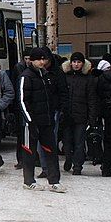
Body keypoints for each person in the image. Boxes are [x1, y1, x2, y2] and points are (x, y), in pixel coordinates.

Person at [18, 47, 65, 192]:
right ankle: (28, 180)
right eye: (39, 59)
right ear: (32, 60)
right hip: (31, 122)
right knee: (29, 151)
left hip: (46, 120)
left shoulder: (46, 75)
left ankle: (54, 181)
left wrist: (51, 115)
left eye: (43, 59)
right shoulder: (26, 76)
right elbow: (22, 101)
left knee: (51, 151)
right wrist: (30, 121)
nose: (42, 62)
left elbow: (50, 98)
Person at [62, 52, 97, 175]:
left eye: (79, 62)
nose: (76, 64)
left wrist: (92, 118)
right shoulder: (65, 77)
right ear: (70, 63)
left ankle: (77, 166)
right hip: (66, 116)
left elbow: (92, 100)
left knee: (79, 142)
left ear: (83, 64)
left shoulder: (88, 79)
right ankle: (68, 159)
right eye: (74, 62)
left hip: (81, 116)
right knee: (66, 142)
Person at [36, 50, 70, 178]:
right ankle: (45, 168)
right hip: (39, 111)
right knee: (40, 142)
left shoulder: (57, 73)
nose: (43, 62)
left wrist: (63, 109)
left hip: (53, 110)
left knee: (50, 140)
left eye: (45, 60)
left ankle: (51, 168)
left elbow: (63, 93)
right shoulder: (35, 73)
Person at [10, 52, 31, 169]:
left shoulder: (32, 70)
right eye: (26, 58)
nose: (28, 60)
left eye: (29, 58)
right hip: (20, 107)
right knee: (21, 135)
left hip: (28, 106)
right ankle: (21, 160)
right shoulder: (19, 68)